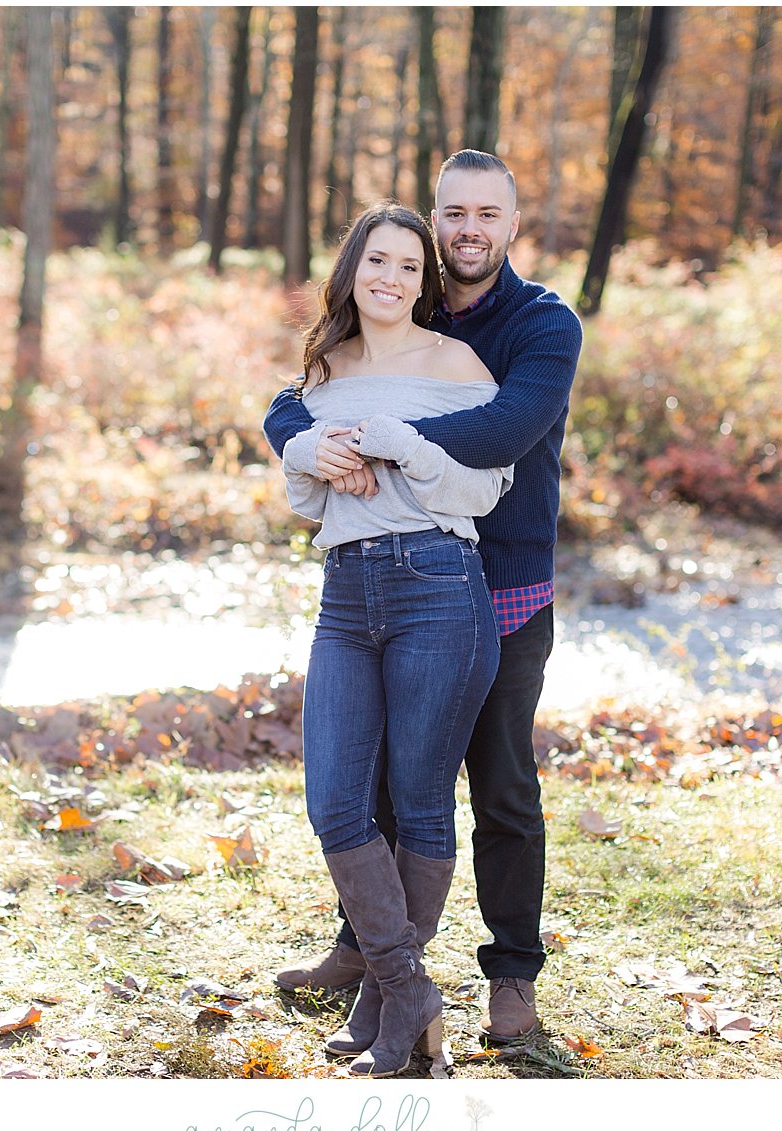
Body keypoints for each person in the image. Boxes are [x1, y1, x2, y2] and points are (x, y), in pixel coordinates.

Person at [264, 149, 583, 1044]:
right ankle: (368, 952)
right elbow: (295, 399)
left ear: (513, 225)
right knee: (379, 782)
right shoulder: (409, 299)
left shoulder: (542, 323)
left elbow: (506, 428)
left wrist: (375, 435)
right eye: (454, 213)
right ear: (435, 219)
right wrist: (302, 438)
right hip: (385, 575)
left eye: (488, 213)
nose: (467, 230)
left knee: (502, 785)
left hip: (504, 578)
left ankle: (511, 972)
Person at [279, 200, 511, 1077]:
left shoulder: (458, 363)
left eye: (409, 267)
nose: (390, 278)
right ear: (351, 269)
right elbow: (310, 500)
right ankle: (407, 989)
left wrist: (404, 446)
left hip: (437, 585)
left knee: (416, 803)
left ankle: (387, 1000)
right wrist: (310, 457)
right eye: (376, 261)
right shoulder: (324, 369)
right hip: (346, 591)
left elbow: (484, 489)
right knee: (335, 802)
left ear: (426, 281)